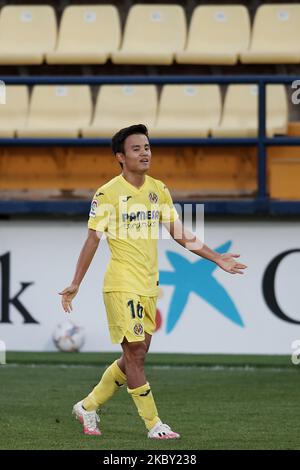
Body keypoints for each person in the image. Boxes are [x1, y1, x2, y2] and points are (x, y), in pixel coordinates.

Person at [59, 124, 247, 440]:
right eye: (136, 148)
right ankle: (153, 424)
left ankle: (87, 406)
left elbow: (179, 233)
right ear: (120, 156)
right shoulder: (108, 193)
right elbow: (93, 240)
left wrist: (218, 258)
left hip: (148, 285)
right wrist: (76, 281)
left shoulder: (158, 189)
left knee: (136, 355)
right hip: (121, 284)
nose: (145, 152)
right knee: (135, 354)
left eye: (147, 147)